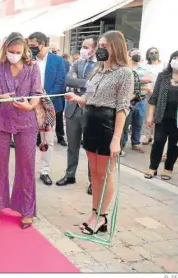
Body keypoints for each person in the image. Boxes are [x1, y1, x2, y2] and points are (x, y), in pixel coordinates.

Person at [65, 30, 133, 235]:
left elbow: (122, 108)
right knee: (94, 174)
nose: (101, 49)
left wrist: (116, 140)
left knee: (105, 173)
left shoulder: (125, 73)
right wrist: (76, 98)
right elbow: (90, 98)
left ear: (116, 47)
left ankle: (101, 216)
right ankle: (94, 214)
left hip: (108, 124)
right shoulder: (97, 70)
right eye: (100, 46)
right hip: (91, 122)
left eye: (105, 46)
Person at [0, 32, 42, 229]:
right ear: (5, 49)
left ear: (24, 50)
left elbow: (37, 93)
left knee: (26, 165)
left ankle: (26, 210)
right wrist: (0, 96)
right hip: (1, 120)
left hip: (26, 121)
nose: (14, 55)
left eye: (18, 52)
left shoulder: (32, 68)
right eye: (11, 52)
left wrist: (31, 107)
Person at [56, 35, 98, 193]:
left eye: (87, 47)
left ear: (95, 49)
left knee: (90, 149)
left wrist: (83, 84)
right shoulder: (77, 63)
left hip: (89, 110)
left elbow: (96, 85)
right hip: (73, 109)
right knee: (72, 146)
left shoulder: (100, 66)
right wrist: (86, 83)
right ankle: (70, 174)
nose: (83, 49)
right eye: (83, 46)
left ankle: (93, 180)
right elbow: (68, 80)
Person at [27, 32, 67, 185]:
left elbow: (60, 83)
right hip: (30, 106)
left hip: (49, 107)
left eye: (33, 45)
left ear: (43, 43)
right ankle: (28, 170)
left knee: (47, 141)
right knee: (28, 140)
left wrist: (45, 101)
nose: (31, 48)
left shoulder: (57, 61)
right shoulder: (29, 61)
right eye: (30, 46)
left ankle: (44, 171)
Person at [145, 50, 178, 180]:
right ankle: (152, 167)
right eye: (175, 58)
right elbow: (154, 97)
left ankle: (168, 168)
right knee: (158, 141)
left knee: (174, 144)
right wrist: (150, 116)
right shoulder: (163, 76)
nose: (177, 61)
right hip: (162, 115)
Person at [121, 49, 152, 156]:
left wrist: (135, 79)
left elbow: (149, 79)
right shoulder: (125, 67)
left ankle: (135, 142)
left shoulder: (143, 68)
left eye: (139, 54)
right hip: (129, 101)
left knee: (138, 123)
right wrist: (141, 79)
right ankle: (122, 144)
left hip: (141, 100)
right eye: (135, 54)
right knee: (125, 124)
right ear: (129, 55)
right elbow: (126, 80)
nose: (137, 56)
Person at [142, 47, 165, 145]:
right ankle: (148, 136)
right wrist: (149, 89)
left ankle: (156, 137)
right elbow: (143, 78)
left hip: (161, 94)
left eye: (156, 52)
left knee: (158, 116)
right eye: (151, 53)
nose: (154, 54)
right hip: (148, 93)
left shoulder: (164, 65)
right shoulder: (145, 66)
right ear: (148, 55)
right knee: (147, 115)